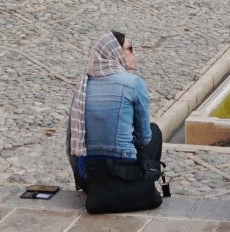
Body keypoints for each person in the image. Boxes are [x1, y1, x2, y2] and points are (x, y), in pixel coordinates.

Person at [66, 30, 165, 213]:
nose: (134, 53)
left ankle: (95, 187)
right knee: (155, 131)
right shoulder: (133, 83)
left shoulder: (83, 84)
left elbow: (71, 140)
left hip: (90, 170)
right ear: (116, 53)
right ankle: (145, 180)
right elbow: (144, 138)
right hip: (123, 167)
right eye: (130, 48)